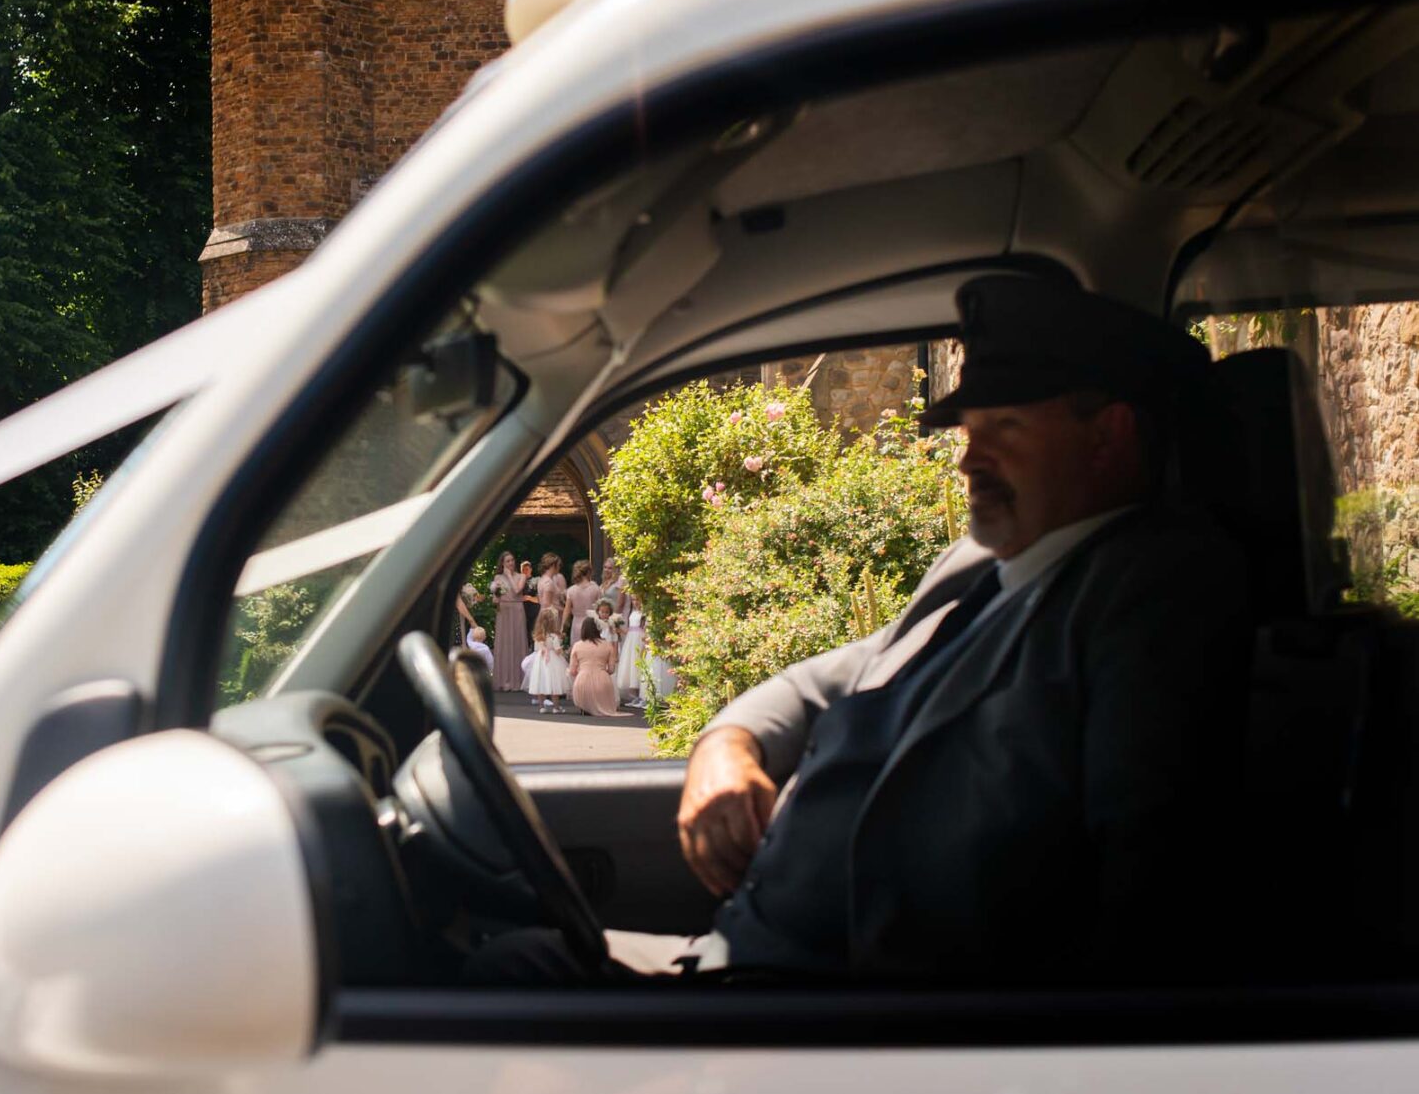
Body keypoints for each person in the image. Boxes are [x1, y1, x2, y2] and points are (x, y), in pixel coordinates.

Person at [466, 274, 1252, 986]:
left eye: (1003, 428)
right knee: (506, 961)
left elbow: (1136, 920)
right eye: (967, 429)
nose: (967, 460)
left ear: (1109, 438)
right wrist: (727, 745)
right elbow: (828, 679)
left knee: (496, 986)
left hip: (847, 1011)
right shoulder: (980, 561)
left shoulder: (1153, 600)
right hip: (754, 954)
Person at [568, 616, 626, 718]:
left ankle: (584, 705)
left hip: (583, 681)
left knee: (578, 681)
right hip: (602, 681)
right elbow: (611, 669)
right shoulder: (608, 645)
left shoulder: (577, 645)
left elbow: (572, 671)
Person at [490, 551, 530, 691]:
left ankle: (518, 681)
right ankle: (504, 681)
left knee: (517, 641)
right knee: (504, 643)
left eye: (512, 560)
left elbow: (517, 590)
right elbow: (495, 598)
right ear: (502, 563)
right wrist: (496, 597)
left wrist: (509, 576)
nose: (511, 563)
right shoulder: (497, 577)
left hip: (517, 609)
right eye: (507, 561)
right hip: (504, 611)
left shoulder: (521, 576)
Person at [525, 609, 571, 713]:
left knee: (541, 681)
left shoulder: (537, 635)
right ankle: (556, 707)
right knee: (555, 683)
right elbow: (557, 650)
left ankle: (542, 707)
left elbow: (537, 648)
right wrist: (564, 652)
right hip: (553, 659)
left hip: (540, 659)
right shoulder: (553, 636)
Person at [562, 560, 602, 634]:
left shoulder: (571, 590)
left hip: (576, 624)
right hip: (592, 624)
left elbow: (566, 611)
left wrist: (562, 628)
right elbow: (600, 608)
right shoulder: (596, 589)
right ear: (589, 572)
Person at [614, 609, 645, 703]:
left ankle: (641, 692)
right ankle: (634, 694)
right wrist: (621, 631)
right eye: (633, 600)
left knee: (637, 661)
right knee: (630, 662)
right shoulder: (632, 611)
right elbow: (630, 629)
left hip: (639, 638)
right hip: (630, 639)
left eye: (637, 600)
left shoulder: (644, 613)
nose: (635, 602)